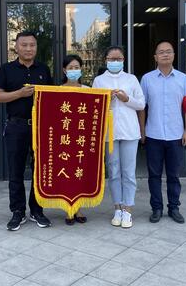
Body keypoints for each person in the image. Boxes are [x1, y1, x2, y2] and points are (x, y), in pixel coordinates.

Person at [0, 31, 53, 231]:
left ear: (36, 47)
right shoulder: (6, 69)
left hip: (40, 126)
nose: (28, 49)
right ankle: (18, 212)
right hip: (16, 126)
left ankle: (37, 210)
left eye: (32, 45)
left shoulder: (43, 69)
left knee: (40, 170)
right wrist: (19, 93)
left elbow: (53, 97)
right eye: (24, 45)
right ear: (16, 47)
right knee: (15, 171)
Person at [138, 41, 186, 224]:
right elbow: (141, 107)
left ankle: (174, 207)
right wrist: (142, 131)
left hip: (176, 136)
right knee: (154, 176)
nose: (165, 54)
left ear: (173, 55)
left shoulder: (183, 79)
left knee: (174, 175)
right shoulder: (147, 79)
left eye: (168, 51)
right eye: (161, 52)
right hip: (153, 135)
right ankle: (156, 208)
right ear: (155, 57)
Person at [92, 46, 145, 229]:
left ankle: (128, 210)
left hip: (130, 132)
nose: (115, 62)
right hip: (109, 133)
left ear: (123, 60)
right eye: (111, 59)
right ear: (106, 60)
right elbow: (94, 105)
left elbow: (141, 104)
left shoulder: (131, 79)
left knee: (129, 173)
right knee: (114, 171)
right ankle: (117, 208)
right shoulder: (99, 80)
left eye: (118, 59)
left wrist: (126, 98)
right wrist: (107, 99)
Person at [61, 54, 89, 226]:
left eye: (76, 67)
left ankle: (78, 209)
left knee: (80, 174)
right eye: (70, 68)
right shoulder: (57, 90)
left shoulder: (88, 89)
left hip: (81, 138)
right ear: (64, 70)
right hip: (64, 139)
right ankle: (68, 209)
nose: (74, 70)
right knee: (66, 174)